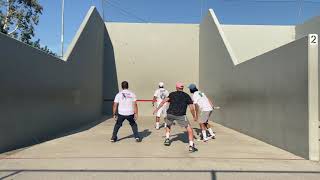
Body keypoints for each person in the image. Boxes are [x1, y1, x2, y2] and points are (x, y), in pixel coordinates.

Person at [153, 82, 197, 152]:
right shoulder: (186, 95)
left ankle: (167, 139)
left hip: (170, 114)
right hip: (181, 115)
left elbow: (163, 101)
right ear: (182, 88)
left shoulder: (172, 94)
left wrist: (157, 109)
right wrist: (194, 116)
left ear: (176, 88)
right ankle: (191, 146)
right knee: (190, 130)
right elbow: (191, 108)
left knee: (168, 125)